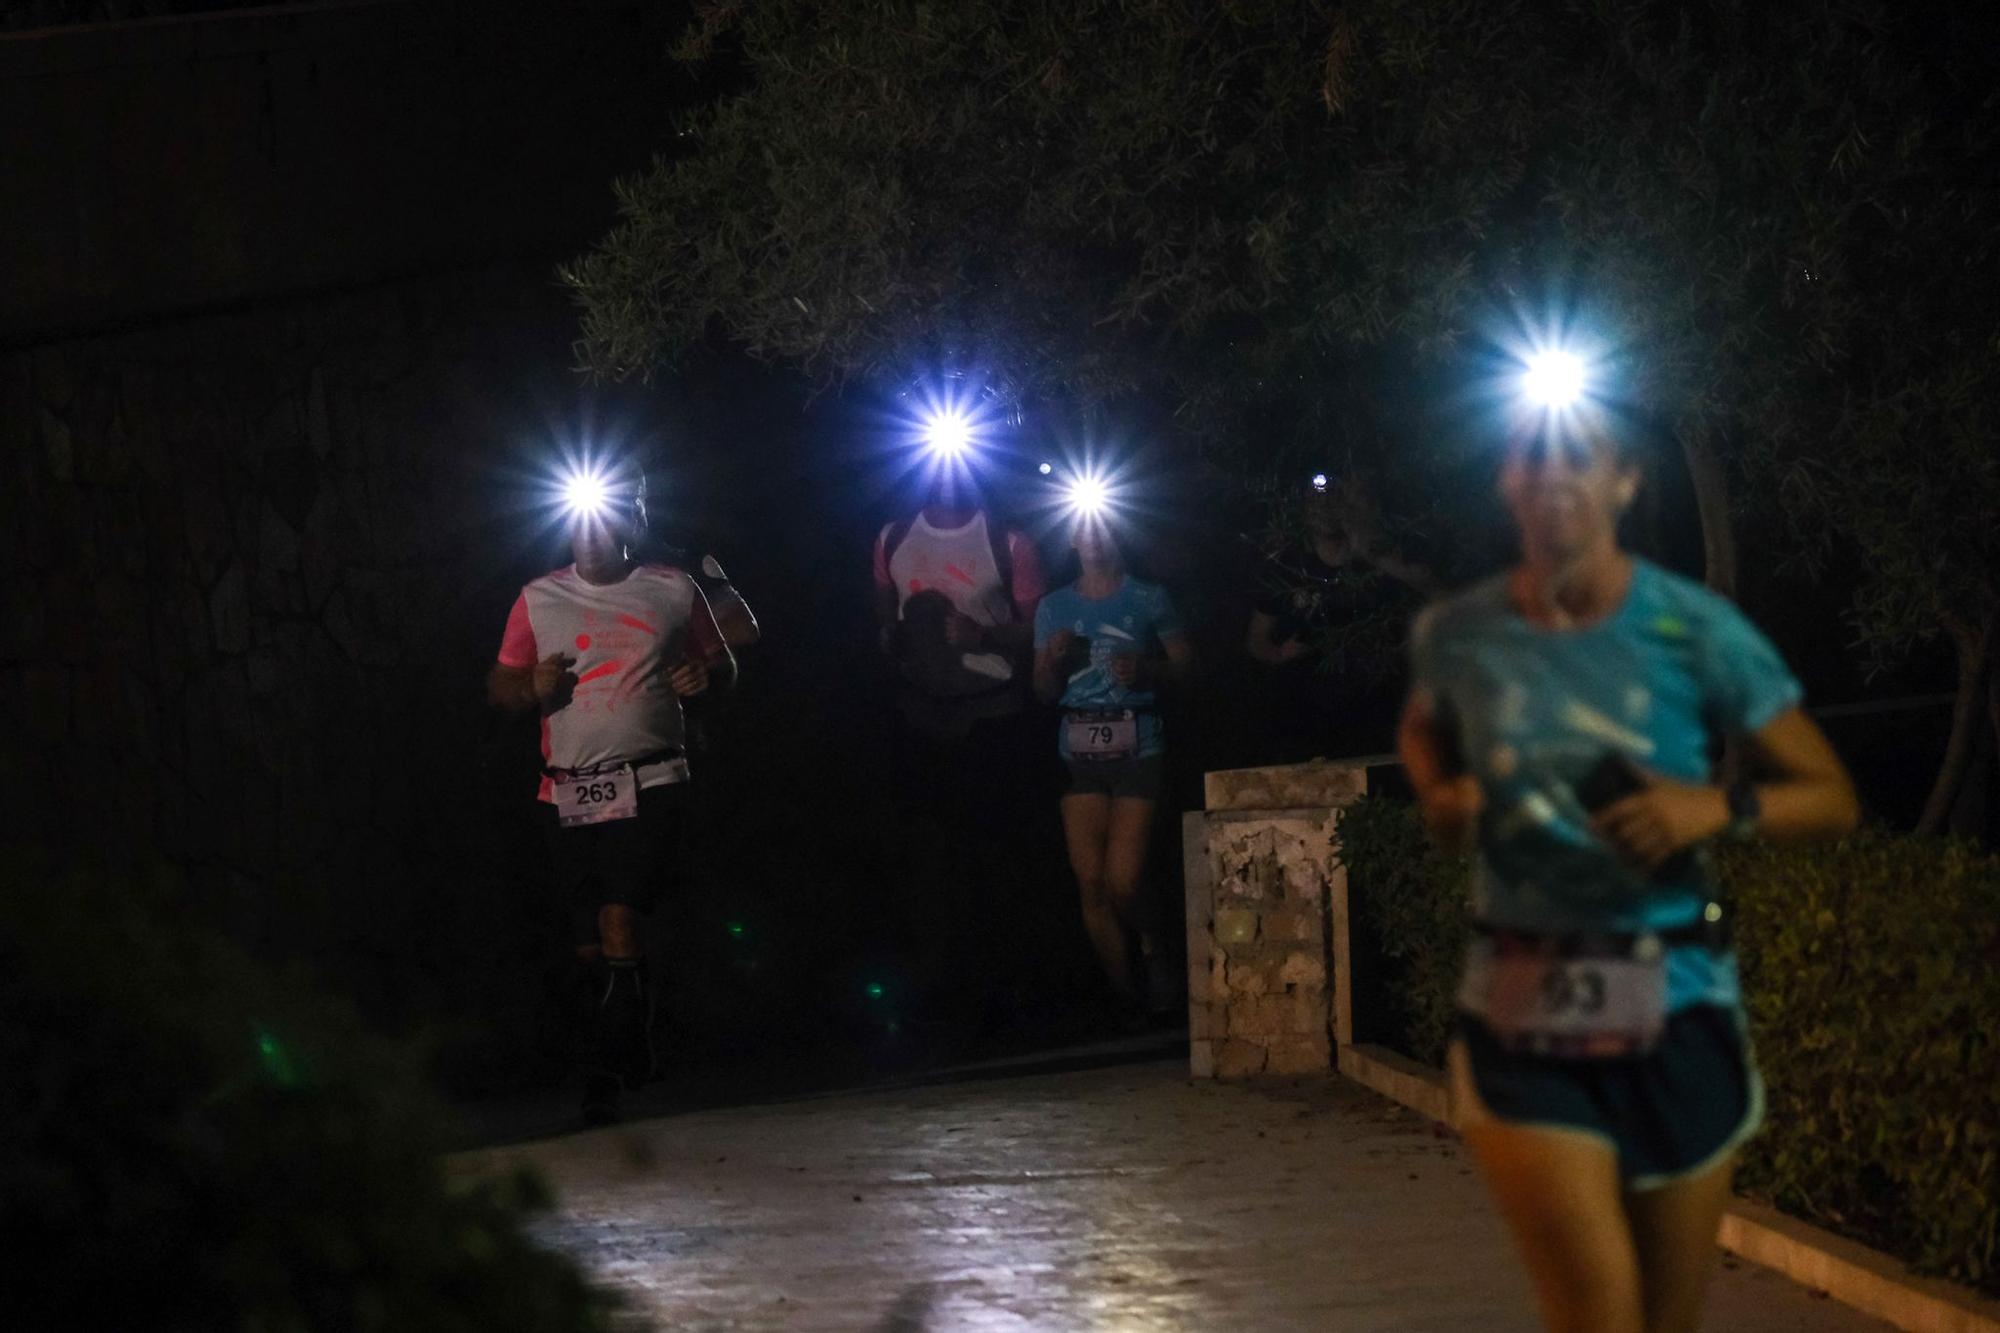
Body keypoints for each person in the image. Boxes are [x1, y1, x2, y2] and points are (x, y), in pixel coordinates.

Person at [1397, 413, 1857, 1333]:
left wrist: (1714, 807)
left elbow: (1831, 796)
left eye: (1581, 455)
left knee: (1661, 1318)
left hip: (1680, 998)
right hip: (1522, 1007)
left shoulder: (1694, 627)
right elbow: (1423, 728)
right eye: (1533, 455)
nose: (1555, 474)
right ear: (1507, 482)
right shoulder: (1462, 634)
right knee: (1600, 1313)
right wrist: (1442, 794)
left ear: (1625, 481)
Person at [487, 466, 736, 1125]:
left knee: (619, 917)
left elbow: (721, 664)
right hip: (567, 791)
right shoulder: (536, 598)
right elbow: (500, 689)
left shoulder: (671, 588)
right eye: (575, 524)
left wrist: (701, 676)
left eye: (601, 523)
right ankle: (636, 1044)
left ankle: (603, 1075)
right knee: (590, 945)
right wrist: (531, 688)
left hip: (650, 777)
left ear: (627, 523)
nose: (588, 538)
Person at [871, 478, 1049, 1022]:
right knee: (928, 858)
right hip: (922, 718)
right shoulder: (893, 537)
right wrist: (897, 642)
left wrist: (985, 636)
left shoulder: (1008, 540)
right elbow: (884, 622)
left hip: (992, 716)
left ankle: (1007, 986)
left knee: (995, 856)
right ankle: (938, 987)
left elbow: (1042, 627)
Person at [1033, 517, 1195, 1015]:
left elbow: (1188, 666)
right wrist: (1051, 663)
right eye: (1086, 528)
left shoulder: (1148, 597)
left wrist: (1148, 669)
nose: (1095, 537)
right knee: (1092, 883)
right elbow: (1041, 692)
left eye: (1104, 527)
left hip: (1137, 745)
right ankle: (1123, 999)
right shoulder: (1053, 605)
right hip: (1079, 752)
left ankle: (1155, 947)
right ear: (1073, 540)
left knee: (1124, 879)